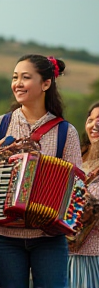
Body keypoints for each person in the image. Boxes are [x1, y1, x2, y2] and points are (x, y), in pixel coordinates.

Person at [0, 54, 82, 288]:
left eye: (26, 77)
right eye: (15, 77)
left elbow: (77, 186)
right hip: (4, 236)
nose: (17, 83)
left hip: (50, 239)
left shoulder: (67, 132)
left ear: (46, 84)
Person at [68, 101, 99, 288]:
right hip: (65, 254)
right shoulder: (76, 156)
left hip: (94, 256)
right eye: (91, 119)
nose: (94, 125)